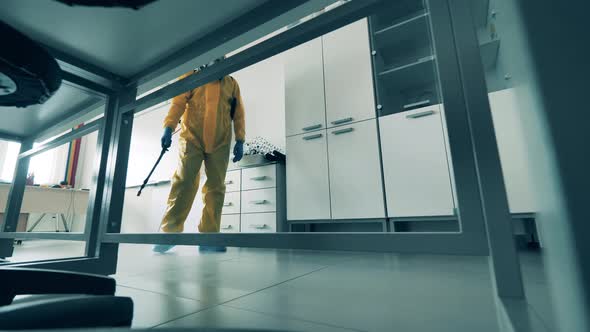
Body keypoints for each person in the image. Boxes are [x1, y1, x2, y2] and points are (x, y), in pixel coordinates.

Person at [153, 58, 245, 254]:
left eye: (222, 58)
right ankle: (169, 233)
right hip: (192, 139)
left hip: (221, 142)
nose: (219, 61)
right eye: (216, 58)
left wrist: (240, 139)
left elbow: (238, 113)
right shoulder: (191, 76)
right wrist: (169, 128)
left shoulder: (231, 83)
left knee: (216, 187)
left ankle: (209, 237)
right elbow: (177, 104)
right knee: (184, 183)